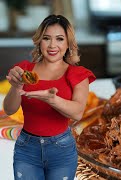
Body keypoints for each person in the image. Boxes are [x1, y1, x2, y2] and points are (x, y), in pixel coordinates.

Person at [3, 14, 96, 179]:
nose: (53, 45)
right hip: (26, 148)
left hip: (61, 149)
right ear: (40, 41)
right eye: (47, 38)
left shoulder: (78, 74)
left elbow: (77, 113)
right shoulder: (24, 70)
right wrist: (16, 87)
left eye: (60, 39)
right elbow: (9, 110)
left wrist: (53, 100)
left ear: (68, 44)